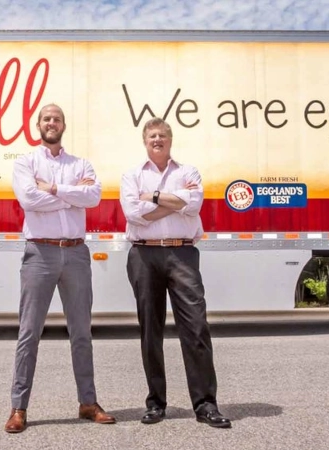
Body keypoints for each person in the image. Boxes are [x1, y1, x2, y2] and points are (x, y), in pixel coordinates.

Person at [4, 104, 116, 433]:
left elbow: (93, 197)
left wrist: (53, 188)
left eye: (57, 119)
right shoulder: (26, 162)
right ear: (38, 125)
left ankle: (88, 402)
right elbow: (28, 199)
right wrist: (72, 195)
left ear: (64, 125)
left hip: (76, 253)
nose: (52, 123)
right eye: (46, 119)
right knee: (29, 333)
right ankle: (18, 407)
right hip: (40, 252)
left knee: (82, 333)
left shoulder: (80, 163)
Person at [119, 117, 231, 429]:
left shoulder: (187, 172)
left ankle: (206, 405)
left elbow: (194, 204)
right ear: (145, 141)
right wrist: (175, 202)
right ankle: (156, 404)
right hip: (143, 254)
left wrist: (152, 197)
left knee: (196, 327)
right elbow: (132, 214)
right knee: (150, 331)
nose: (158, 140)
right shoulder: (131, 175)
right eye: (152, 136)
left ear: (170, 140)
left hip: (182, 253)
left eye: (163, 136)